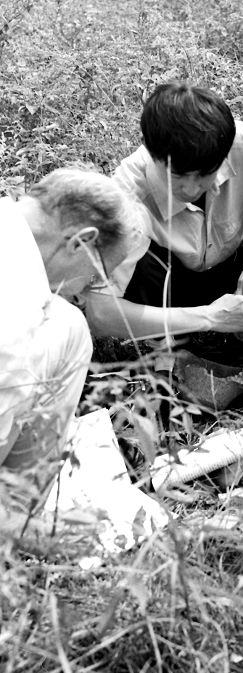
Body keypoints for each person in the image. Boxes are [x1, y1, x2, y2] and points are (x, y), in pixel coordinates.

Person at [85, 83, 243, 369]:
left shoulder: (241, 144)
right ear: (153, 154)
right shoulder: (125, 191)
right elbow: (100, 312)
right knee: (142, 258)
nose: (192, 188)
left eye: (205, 174)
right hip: (166, 290)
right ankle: (169, 343)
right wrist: (210, 317)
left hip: (227, 270)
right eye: (179, 175)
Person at [0, 167, 138, 471]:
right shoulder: (21, 315)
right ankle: (22, 510)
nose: (83, 294)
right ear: (81, 242)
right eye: (96, 276)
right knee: (70, 326)